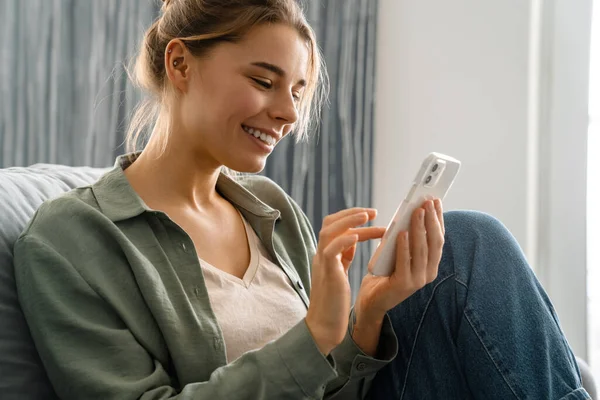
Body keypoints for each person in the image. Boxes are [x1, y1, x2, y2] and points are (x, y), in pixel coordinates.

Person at [13, 0, 590, 399]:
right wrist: (314, 336)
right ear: (181, 63)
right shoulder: (70, 240)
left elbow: (334, 384)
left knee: (467, 242)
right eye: (264, 82)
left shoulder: (269, 208)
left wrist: (365, 320)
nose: (288, 113)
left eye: (297, 90)